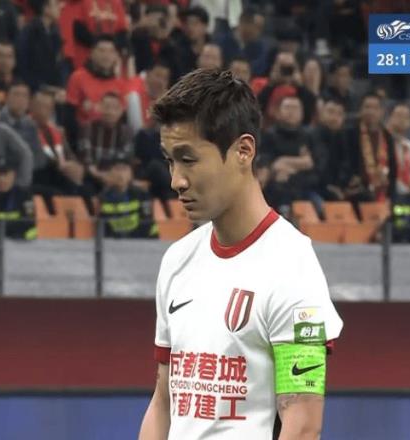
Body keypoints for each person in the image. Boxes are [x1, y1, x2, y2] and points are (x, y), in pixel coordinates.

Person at [138, 69, 343, 439]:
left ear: (243, 152)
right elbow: (164, 401)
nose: (176, 180)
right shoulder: (177, 260)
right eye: (170, 160)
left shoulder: (293, 266)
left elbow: (303, 425)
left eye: (188, 159)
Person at [261, 95, 319, 214]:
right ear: (279, 112)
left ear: (302, 113)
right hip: (276, 186)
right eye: (287, 107)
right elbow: (271, 164)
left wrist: (285, 162)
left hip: (305, 187)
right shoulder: (269, 135)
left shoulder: (310, 136)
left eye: (295, 108)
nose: (291, 112)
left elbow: (313, 164)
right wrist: (300, 163)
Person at [344, 92, 397, 204]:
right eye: (367, 107)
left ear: (382, 112)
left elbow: (393, 168)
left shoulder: (387, 136)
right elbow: (345, 163)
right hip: (357, 192)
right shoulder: (349, 134)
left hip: (382, 190)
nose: (371, 111)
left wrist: (389, 191)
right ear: (360, 110)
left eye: (375, 108)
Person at [99, 153, 157, 239]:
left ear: (131, 173)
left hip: (141, 242)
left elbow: (146, 224)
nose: (121, 174)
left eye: (124, 169)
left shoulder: (141, 195)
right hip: (113, 244)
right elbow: (103, 228)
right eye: (117, 169)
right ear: (110, 173)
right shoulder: (104, 197)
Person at [17, 0, 64, 92]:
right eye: (56, 4)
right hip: (33, 88)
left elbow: (57, 65)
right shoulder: (30, 32)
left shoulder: (55, 33)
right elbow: (23, 63)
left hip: (51, 88)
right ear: (46, 8)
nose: (60, 7)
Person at [386, 103, 410, 195]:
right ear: (390, 118)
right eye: (399, 115)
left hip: (407, 193)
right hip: (388, 190)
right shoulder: (383, 142)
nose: (402, 119)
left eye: (406, 117)